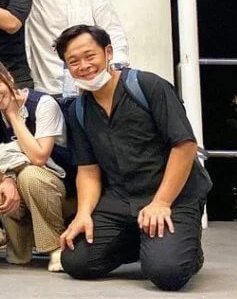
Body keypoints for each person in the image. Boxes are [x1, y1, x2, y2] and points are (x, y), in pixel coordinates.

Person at [56, 25, 211, 291]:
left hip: (172, 196)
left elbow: (185, 146)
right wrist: (83, 214)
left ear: (108, 52)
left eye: (90, 56)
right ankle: (148, 242)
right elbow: (88, 169)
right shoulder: (79, 109)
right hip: (122, 198)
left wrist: (161, 202)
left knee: (167, 272)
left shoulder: (148, 86)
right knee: (76, 261)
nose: (84, 66)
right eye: (74, 61)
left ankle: (185, 251)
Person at [0, 48, 70, 271]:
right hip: (19, 179)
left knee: (31, 176)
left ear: (9, 77)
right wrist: (7, 179)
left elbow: (39, 156)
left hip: (60, 188)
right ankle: (19, 249)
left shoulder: (42, 104)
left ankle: (56, 247)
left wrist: (13, 115)